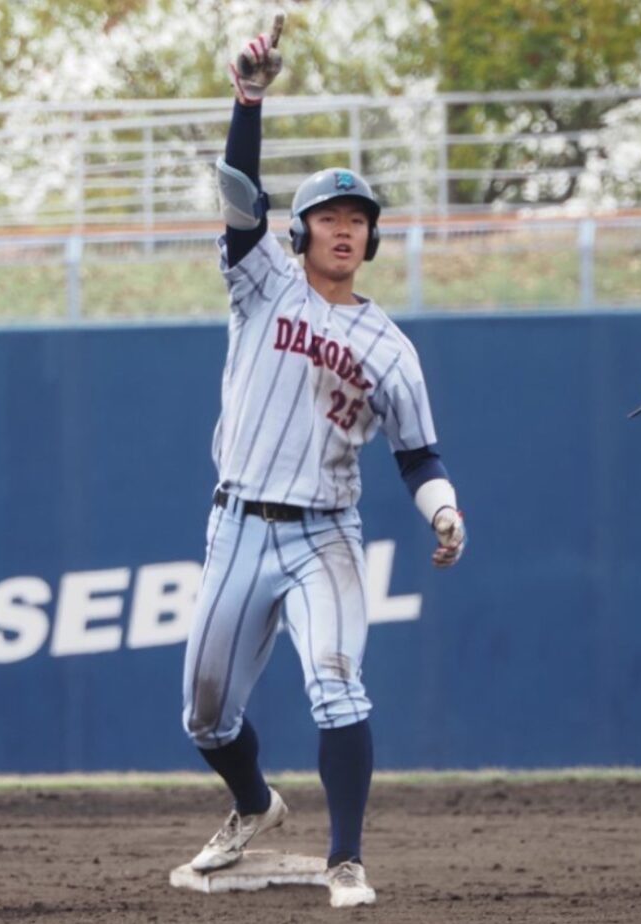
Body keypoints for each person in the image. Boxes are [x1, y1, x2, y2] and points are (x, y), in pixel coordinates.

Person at [179, 14, 466, 910]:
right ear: (300, 233)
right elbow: (238, 195)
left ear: (371, 239)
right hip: (236, 523)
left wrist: (444, 511)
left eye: (358, 220)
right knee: (205, 716)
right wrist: (248, 101)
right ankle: (255, 803)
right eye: (329, 218)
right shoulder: (264, 281)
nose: (344, 230)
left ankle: (346, 860)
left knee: (337, 689)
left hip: (324, 536)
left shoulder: (389, 347)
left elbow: (419, 454)